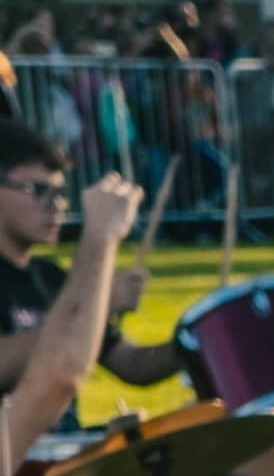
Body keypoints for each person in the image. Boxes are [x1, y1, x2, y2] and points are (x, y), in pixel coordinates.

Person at [0, 122, 185, 397]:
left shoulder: (50, 277)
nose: (56, 205)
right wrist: (96, 303)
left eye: (60, 193)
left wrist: (202, 339)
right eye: (37, 190)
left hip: (61, 440)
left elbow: (134, 365)